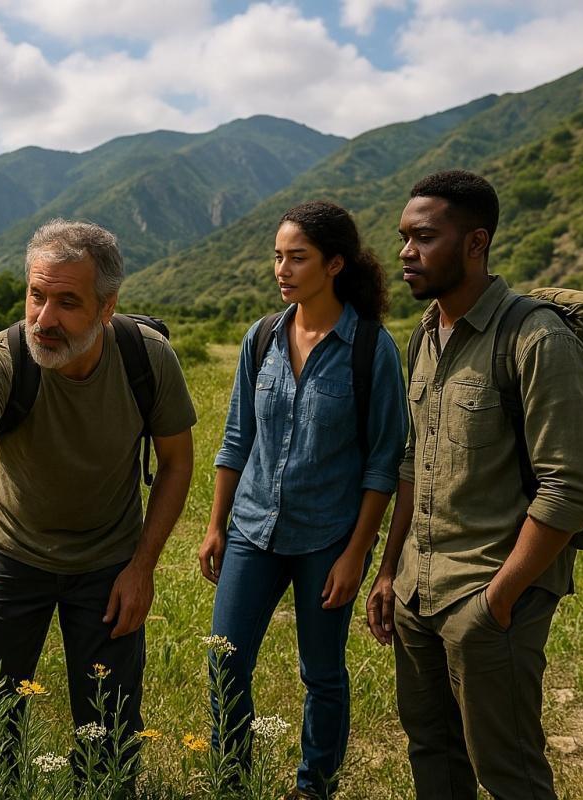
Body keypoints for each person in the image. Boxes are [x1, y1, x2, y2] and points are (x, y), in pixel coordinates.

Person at [0, 219, 197, 779]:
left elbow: (176, 463)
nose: (44, 319)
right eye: (36, 295)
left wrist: (142, 567)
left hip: (109, 565)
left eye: (67, 302)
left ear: (106, 307)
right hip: (12, 562)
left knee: (110, 731)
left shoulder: (148, 359)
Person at [365, 170, 583, 799]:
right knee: (434, 757)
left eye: (424, 238)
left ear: (475, 243)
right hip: (418, 595)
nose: (406, 253)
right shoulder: (425, 336)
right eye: (403, 238)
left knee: (509, 772)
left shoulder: (537, 338)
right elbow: (414, 464)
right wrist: (390, 573)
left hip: (492, 600)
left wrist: (495, 603)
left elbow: (570, 489)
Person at [199, 201, 408, 798]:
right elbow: (237, 436)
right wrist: (217, 525)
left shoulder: (371, 349)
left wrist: (356, 554)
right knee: (226, 660)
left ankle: (314, 785)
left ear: (335, 264)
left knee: (321, 672)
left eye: (298, 257)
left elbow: (382, 464)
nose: (282, 269)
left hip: (327, 538)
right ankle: (231, 779)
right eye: (277, 256)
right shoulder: (261, 336)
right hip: (252, 530)